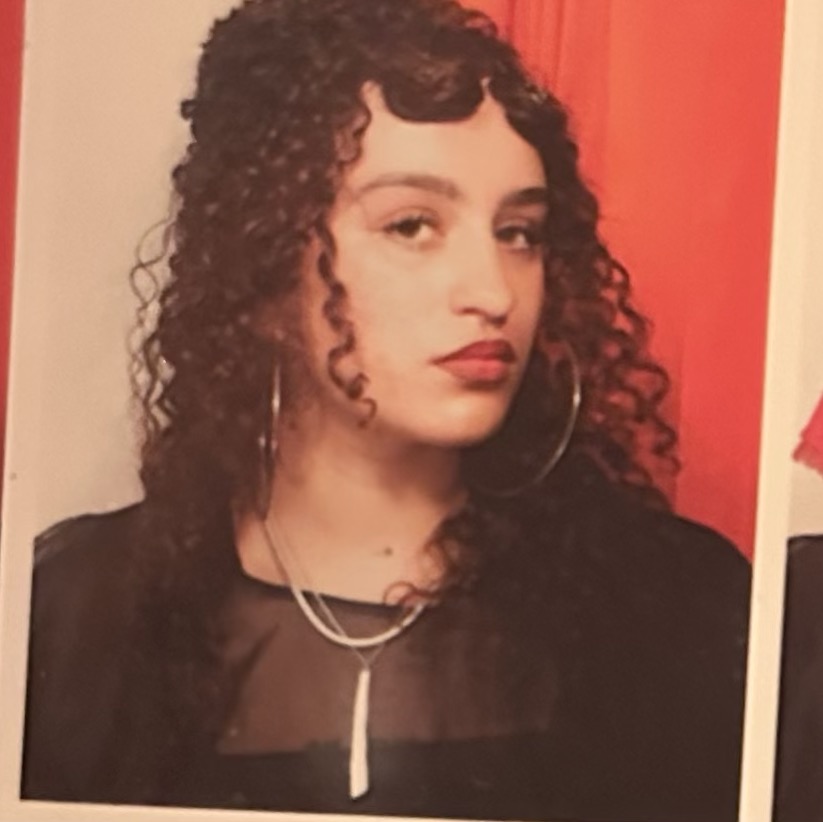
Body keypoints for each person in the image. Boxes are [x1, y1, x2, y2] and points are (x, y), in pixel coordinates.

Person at [20, 0, 751, 819]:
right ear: (261, 268)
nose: (491, 291)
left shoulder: (677, 608)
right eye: (411, 225)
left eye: (519, 232)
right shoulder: (79, 618)